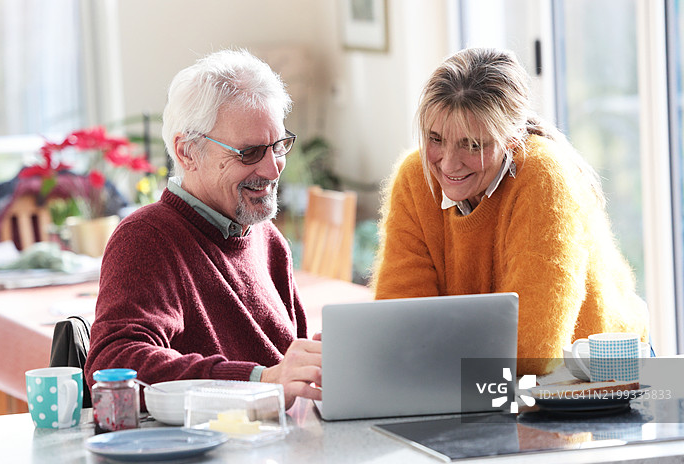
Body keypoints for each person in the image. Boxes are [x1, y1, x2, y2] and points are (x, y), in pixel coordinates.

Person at [372, 48, 649, 376]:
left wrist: (429, 345)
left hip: (602, 376)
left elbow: (532, 350)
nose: (448, 163)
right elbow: (397, 323)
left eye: (472, 145)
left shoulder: (544, 176)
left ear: (512, 137)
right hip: (488, 380)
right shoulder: (415, 178)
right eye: (435, 139)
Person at [84, 49, 321, 409]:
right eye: (250, 153)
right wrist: (259, 382)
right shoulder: (147, 237)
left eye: (278, 146)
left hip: (275, 445)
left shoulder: (267, 239)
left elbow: (291, 375)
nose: (273, 170)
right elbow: (113, 364)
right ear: (187, 153)